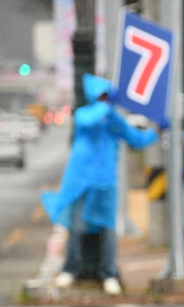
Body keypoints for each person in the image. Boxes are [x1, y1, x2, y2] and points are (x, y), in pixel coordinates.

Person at [43, 73, 160, 295]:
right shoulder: (85, 115)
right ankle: (71, 270)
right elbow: (87, 120)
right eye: (102, 96)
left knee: (107, 230)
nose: (106, 99)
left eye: (108, 96)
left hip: (105, 183)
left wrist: (157, 131)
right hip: (81, 183)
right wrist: (107, 108)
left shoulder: (115, 122)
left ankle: (109, 273)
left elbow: (136, 139)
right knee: (77, 227)